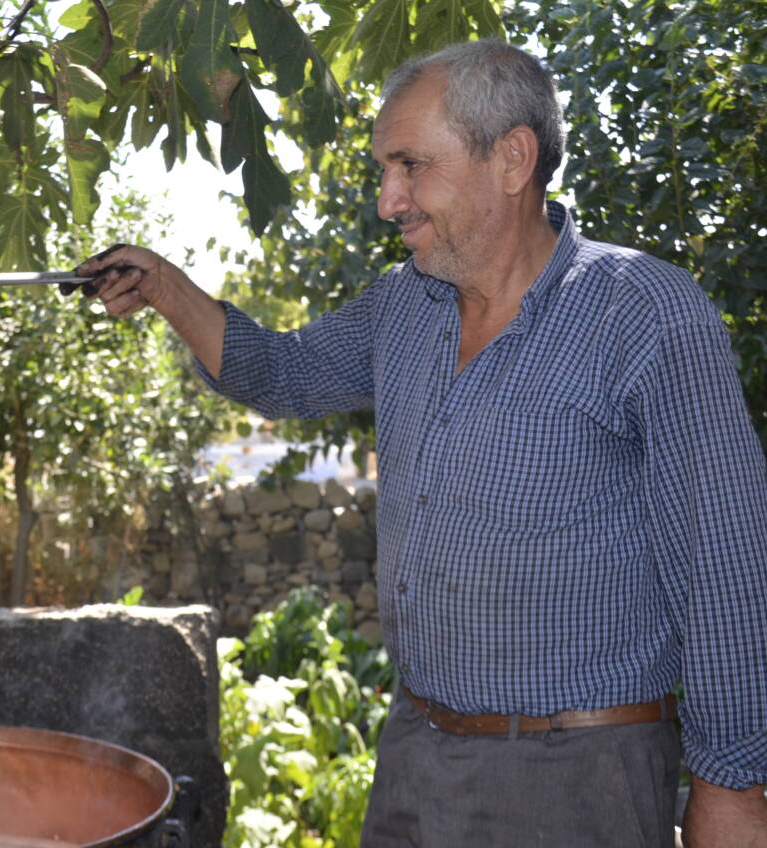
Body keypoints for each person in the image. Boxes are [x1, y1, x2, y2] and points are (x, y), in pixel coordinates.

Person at [74, 40, 767, 848]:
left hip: (576, 779)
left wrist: (734, 786)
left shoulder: (642, 313)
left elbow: (728, 566)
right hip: (414, 756)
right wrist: (164, 286)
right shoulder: (405, 307)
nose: (387, 200)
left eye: (410, 166)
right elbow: (284, 372)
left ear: (512, 158)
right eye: (384, 169)